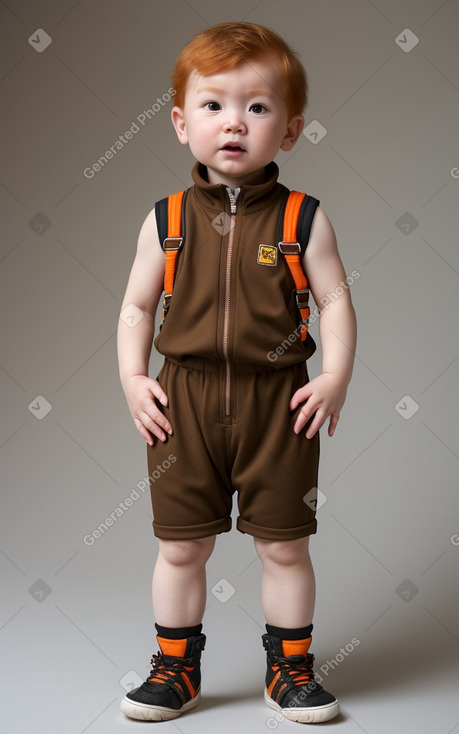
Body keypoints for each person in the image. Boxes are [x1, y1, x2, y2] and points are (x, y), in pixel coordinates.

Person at [117, 21, 356, 724]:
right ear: (179, 121)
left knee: (284, 547)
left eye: (257, 107)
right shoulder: (163, 219)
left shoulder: (303, 219)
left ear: (289, 130)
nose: (234, 122)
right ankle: (175, 667)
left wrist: (334, 376)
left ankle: (289, 668)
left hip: (278, 402)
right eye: (214, 104)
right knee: (180, 544)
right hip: (182, 400)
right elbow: (135, 306)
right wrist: (133, 379)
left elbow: (337, 303)